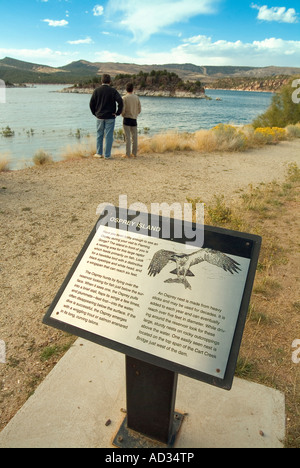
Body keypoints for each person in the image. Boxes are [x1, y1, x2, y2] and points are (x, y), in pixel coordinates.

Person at [90, 74, 123, 160]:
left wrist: (95, 113)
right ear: (110, 81)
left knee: (99, 135)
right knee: (109, 136)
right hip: (110, 117)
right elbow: (120, 101)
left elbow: (91, 104)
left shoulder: (96, 91)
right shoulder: (113, 91)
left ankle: (99, 153)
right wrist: (117, 113)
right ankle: (107, 155)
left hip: (99, 116)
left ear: (101, 81)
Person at [122, 83, 142, 158]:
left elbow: (122, 109)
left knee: (127, 137)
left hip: (126, 118)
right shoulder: (136, 97)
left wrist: (123, 114)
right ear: (133, 89)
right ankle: (134, 153)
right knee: (134, 137)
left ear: (126, 89)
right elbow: (139, 109)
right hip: (134, 118)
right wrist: (135, 114)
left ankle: (127, 154)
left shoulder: (124, 98)